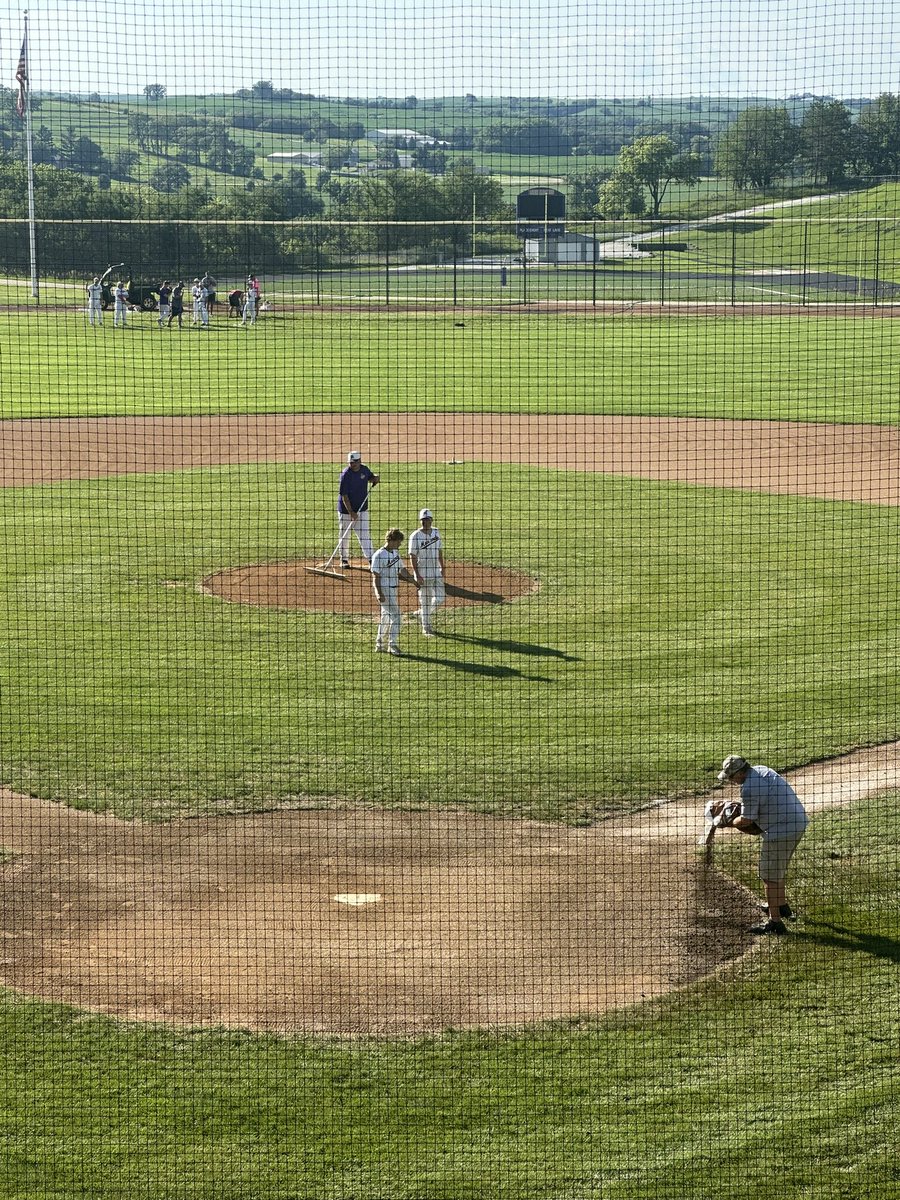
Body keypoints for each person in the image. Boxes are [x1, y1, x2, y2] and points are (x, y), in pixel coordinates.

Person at [716, 755, 809, 935]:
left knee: (768, 876)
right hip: (797, 822)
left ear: (740, 773)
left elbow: (747, 819)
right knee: (778, 869)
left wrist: (728, 822)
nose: (730, 781)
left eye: (731, 777)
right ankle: (781, 906)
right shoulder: (762, 769)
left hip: (781, 832)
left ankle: (775, 922)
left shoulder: (749, 788)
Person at [371, 529, 412, 656]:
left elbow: (402, 570)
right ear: (392, 540)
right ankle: (392, 645)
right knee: (397, 617)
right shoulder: (378, 555)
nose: (400, 544)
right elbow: (375, 576)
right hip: (385, 589)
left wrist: (414, 581)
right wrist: (379, 593)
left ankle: (379, 643)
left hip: (393, 589)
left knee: (386, 616)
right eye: (399, 542)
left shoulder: (395, 553)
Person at [337, 450, 379, 567]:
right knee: (345, 535)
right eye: (350, 462)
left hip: (362, 509)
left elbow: (370, 478)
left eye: (355, 462)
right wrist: (351, 512)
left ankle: (371, 559)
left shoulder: (364, 470)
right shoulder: (346, 475)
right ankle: (344, 559)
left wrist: (375, 478)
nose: (352, 464)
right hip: (346, 511)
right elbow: (344, 496)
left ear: (360, 461)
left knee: (364, 534)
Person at [408, 508, 446, 636]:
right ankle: (426, 627)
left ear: (431, 520)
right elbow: (412, 556)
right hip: (422, 572)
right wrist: (417, 574)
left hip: (435, 571)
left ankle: (423, 613)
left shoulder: (436, 532)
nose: (425, 522)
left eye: (427, 520)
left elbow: (440, 550)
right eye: (423, 520)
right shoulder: (415, 536)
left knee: (440, 598)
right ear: (420, 521)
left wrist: (443, 567)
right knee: (425, 600)